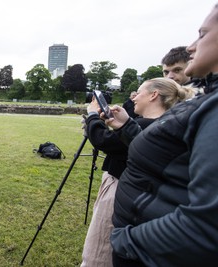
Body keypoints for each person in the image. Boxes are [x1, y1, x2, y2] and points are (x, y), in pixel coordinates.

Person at [105, 4, 218, 266]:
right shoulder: (206, 101)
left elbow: (207, 225)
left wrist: (127, 241)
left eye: (202, 34)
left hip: (147, 252)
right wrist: (124, 126)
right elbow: (170, 155)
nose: (190, 47)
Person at [80, 78, 191, 267]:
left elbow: (105, 142)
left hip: (122, 189)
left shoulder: (150, 127)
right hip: (132, 191)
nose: (134, 98)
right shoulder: (162, 124)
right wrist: (123, 125)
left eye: (139, 92)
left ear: (154, 95)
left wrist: (91, 116)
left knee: (99, 248)